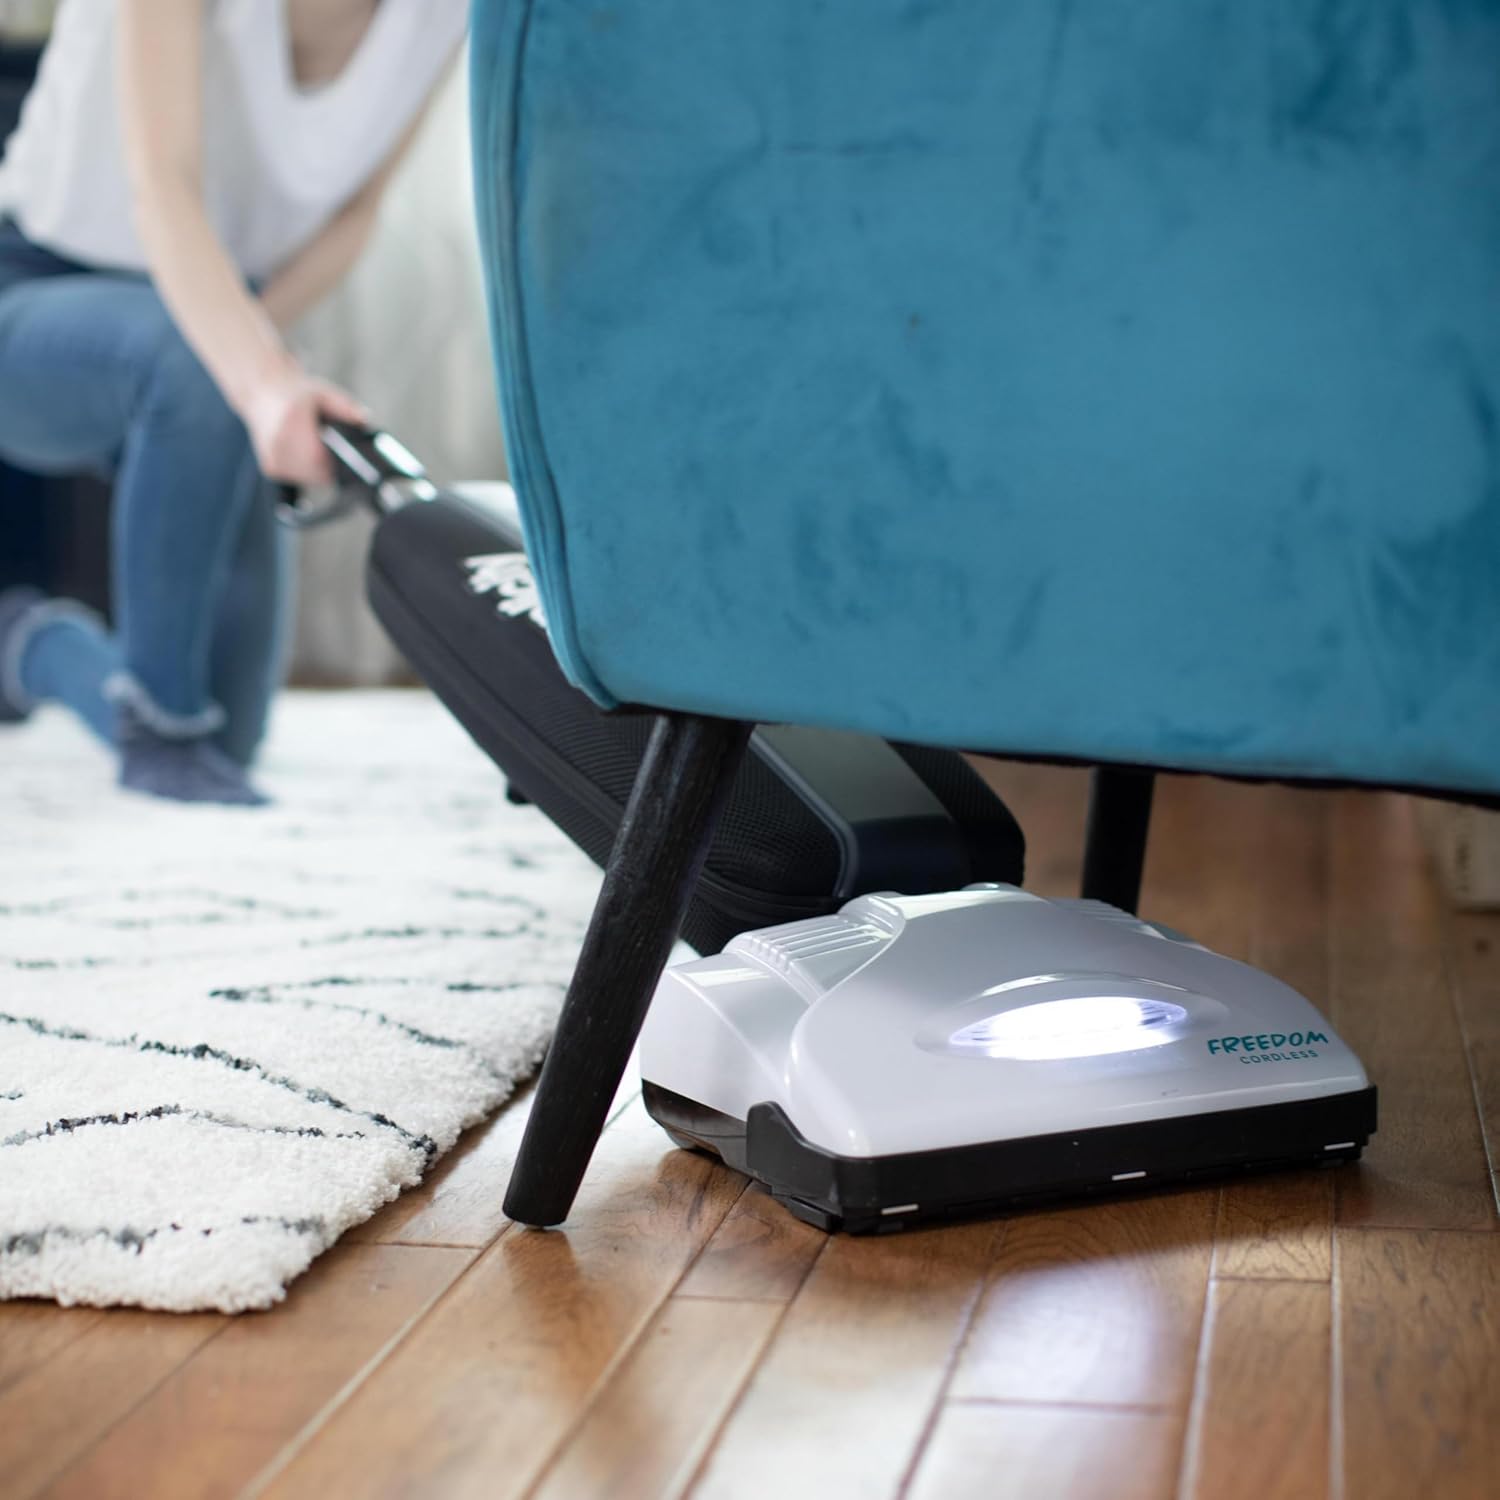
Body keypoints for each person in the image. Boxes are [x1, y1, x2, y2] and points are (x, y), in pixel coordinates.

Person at [0, 0, 466, 803]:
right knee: (177, 729)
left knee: (229, 736)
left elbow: (357, 213)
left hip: (217, 327)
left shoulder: (448, 15)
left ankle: (31, 646)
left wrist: (252, 371)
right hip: (33, 293)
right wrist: (253, 375)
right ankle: (158, 730)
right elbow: (164, 187)